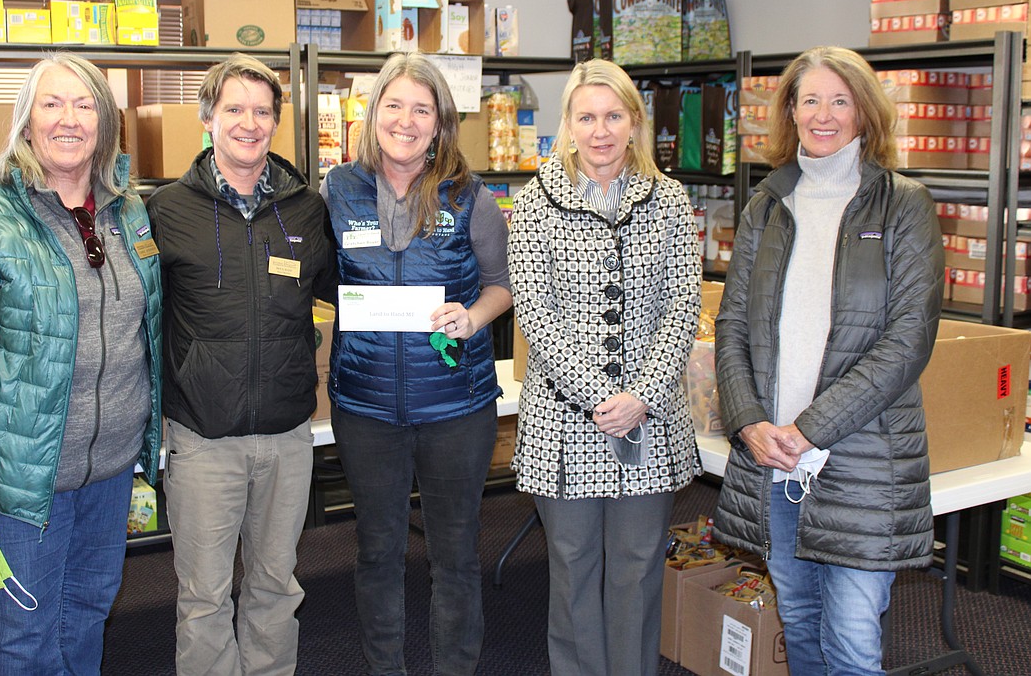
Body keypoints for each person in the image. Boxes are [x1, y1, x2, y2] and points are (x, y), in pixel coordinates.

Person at [0, 53, 162, 674]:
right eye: (52, 103)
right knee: (23, 638)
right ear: (26, 119)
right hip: (15, 484)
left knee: (86, 618)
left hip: (107, 473)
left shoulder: (127, 210)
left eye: (84, 105)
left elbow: (143, 332)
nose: (69, 119)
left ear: (105, 121)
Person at [712, 46, 945, 676]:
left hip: (862, 456)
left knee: (851, 638)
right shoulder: (767, 203)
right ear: (790, 110)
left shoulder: (904, 206)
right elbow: (732, 324)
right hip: (773, 457)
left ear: (864, 113)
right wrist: (748, 421)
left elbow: (907, 341)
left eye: (839, 100)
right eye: (809, 99)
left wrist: (810, 429)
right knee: (802, 622)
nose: (823, 115)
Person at [507, 58, 702, 676]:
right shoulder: (535, 203)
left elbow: (683, 307)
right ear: (567, 124)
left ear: (634, 123)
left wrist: (641, 394)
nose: (601, 130)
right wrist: (598, 397)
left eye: (614, 115)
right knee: (571, 565)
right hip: (564, 420)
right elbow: (537, 316)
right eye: (587, 116)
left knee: (639, 565)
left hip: (649, 419)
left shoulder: (669, 200)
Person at [321, 51, 511, 676]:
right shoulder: (337, 189)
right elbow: (321, 278)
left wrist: (473, 318)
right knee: (378, 549)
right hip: (366, 407)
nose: (405, 120)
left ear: (440, 123)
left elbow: (500, 285)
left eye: (421, 109)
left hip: (456, 406)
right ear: (374, 113)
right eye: (394, 105)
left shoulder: (471, 196)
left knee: (454, 552)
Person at [147, 53, 337, 676]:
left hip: (286, 434)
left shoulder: (308, 210)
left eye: (262, 111)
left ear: (277, 122)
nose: (248, 123)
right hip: (202, 438)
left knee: (276, 586)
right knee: (203, 598)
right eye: (234, 109)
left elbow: (348, 294)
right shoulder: (167, 209)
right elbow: (139, 316)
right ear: (208, 118)